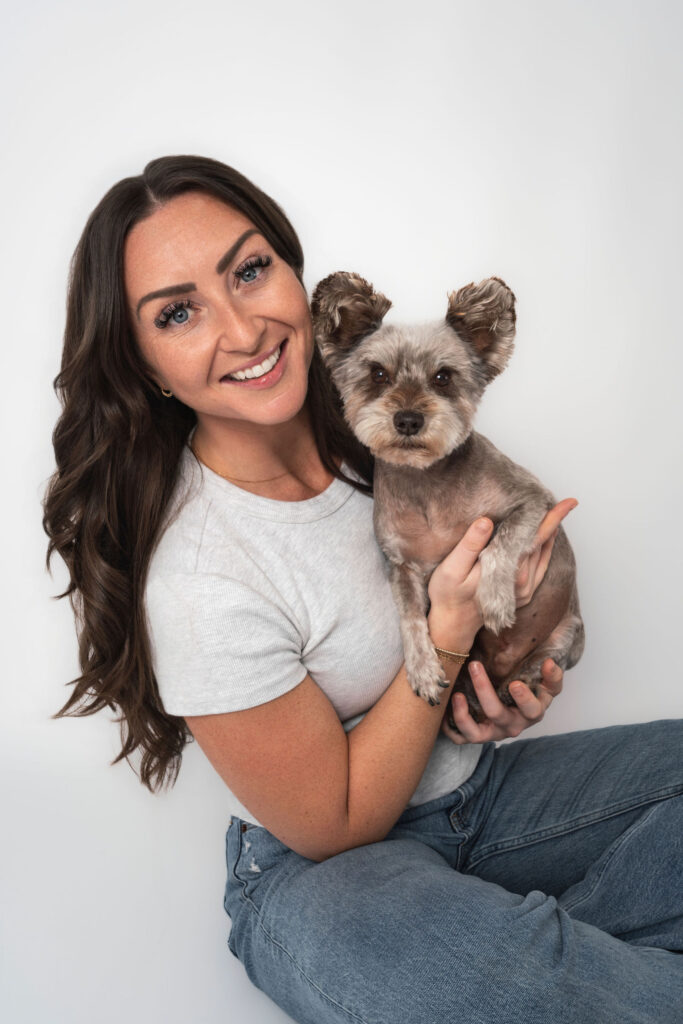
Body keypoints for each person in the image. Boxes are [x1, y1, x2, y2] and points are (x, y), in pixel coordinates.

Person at [43, 155, 683, 1024]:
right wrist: (449, 631)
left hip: (481, 797)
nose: (243, 328)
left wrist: (501, 677)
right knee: (491, 977)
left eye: (249, 270)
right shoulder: (199, 574)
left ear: (295, 277)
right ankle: (552, 961)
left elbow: (486, 620)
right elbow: (334, 824)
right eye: (179, 312)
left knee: (533, 966)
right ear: (146, 363)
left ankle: (569, 959)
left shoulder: (377, 433)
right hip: (328, 874)